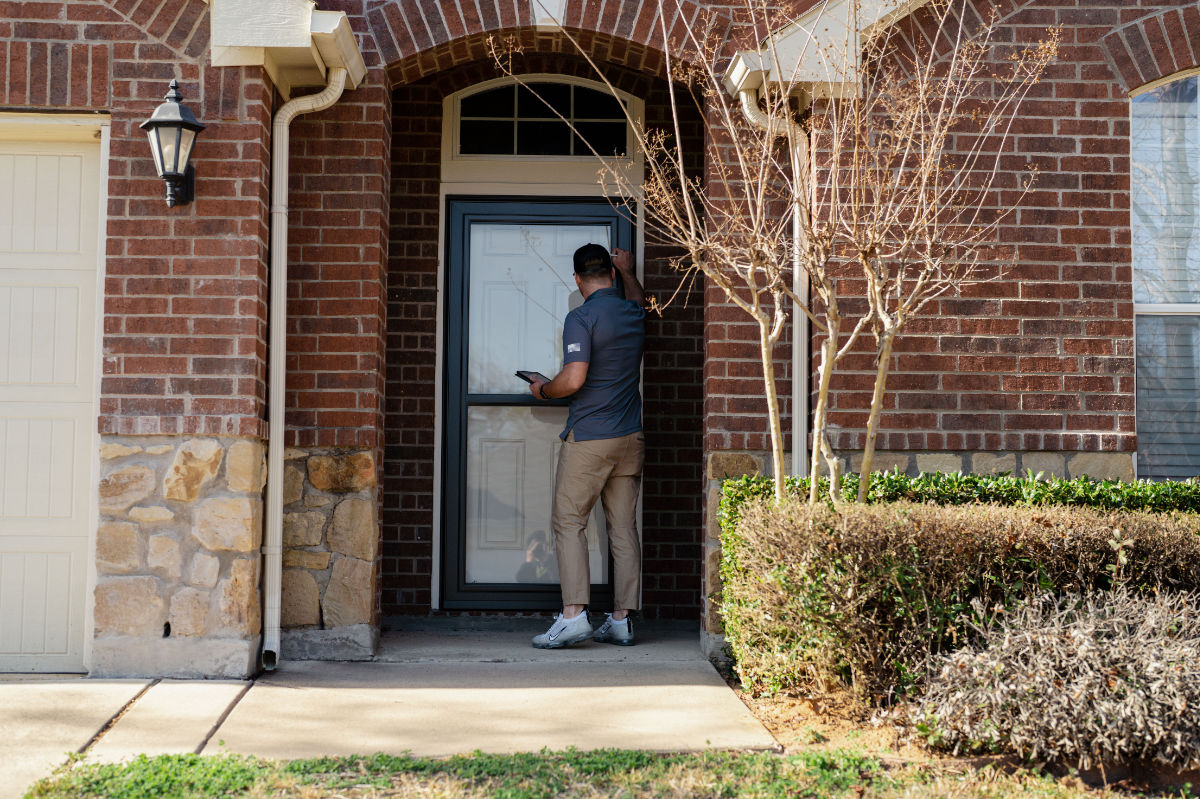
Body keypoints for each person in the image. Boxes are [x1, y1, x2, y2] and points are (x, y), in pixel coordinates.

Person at [528, 243, 646, 649]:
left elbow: (574, 379)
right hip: (631, 437)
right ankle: (621, 620)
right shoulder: (632, 311)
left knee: (568, 520)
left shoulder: (580, 316)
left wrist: (544, 390)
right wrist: (628, 271)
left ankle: (574, 616)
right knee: (623, 528)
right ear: (611, 275)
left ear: (577, 281)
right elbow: (637, 298)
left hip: (591, 438)